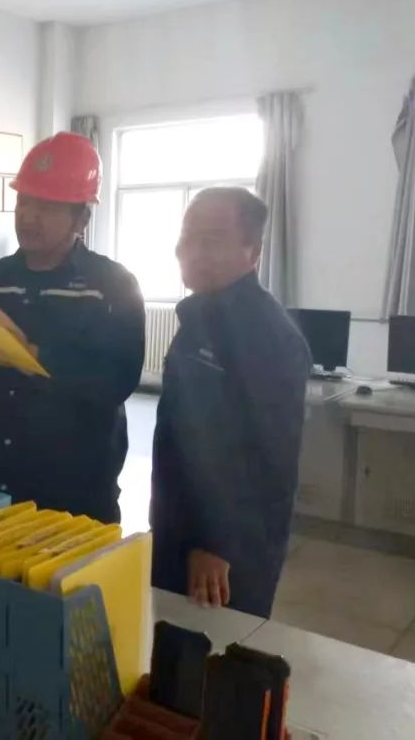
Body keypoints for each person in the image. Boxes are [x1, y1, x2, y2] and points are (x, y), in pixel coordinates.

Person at [0, 132, 145, 521]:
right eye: (24, 202)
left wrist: (33, 356)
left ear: (82, 217)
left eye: (47, 207)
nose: (28, 216)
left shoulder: (113, 286)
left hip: (76, 492)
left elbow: (116, 381)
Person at [151, 187, 311, 618]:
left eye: (213, 239)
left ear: (253, 252)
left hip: (225, 552)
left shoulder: (266, 333)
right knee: (171, 639)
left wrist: (215, 543)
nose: (192, 250)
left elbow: (268, 457)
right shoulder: (203, 316)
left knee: (216, 649)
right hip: (180, 525)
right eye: (188, 235)